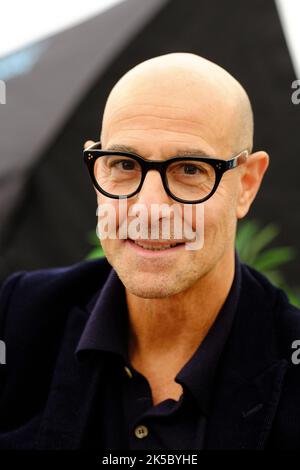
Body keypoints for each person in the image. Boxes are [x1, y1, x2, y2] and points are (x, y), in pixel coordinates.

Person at [0, 52, 299, 451]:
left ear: (246, 183)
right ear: (95, 171)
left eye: (190, 169)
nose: (149, 209)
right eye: (124, 164)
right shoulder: (19, 317)